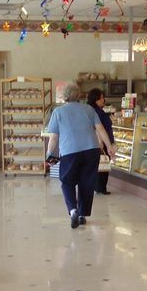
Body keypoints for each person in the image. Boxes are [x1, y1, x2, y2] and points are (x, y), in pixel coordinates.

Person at [46, 82, 115, 229]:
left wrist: (49, 154)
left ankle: (73, 211)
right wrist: (109, 147)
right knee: (86, 182)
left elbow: (53, 137)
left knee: (67, 181)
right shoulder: (89, 109)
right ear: (78, 95)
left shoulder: (58, 112)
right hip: (91, 151)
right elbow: (100, 129)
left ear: (64, 96)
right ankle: (82, 214)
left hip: (70, 152)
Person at [86, 88, 114, 195]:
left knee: (99, 164)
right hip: (101, 142)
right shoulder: (96, 111)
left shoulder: (92, 110)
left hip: (98, 142)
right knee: (103, 164)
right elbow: (98, 128)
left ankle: (98, 187)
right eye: (102, 98)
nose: (104, 100)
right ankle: (100, 187)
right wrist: (102, 142)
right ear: (96, 99)